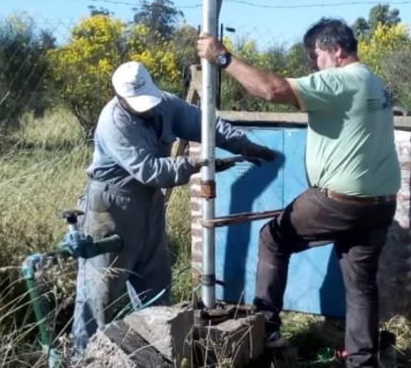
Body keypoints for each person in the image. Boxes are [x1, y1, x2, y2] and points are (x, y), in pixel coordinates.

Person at [197, 18, 400, 368]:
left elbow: (273, 90)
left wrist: (223, 57)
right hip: (380, 204)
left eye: (314, 56)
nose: (313, 65)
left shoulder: (341, 80)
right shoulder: (373, 81)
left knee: (273, 238)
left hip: (340, 201)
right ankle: (363, 362)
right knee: (361, 284)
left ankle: (268, 327)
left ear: (335, 50)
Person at [71, 61, 277, 354]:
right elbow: (150, 169)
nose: (147, 109)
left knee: (155, 285)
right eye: (138, 105)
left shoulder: (165, 104)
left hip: (150, 204)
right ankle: (84, 357)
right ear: (120, 98)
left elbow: (206, 124)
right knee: (100, 293)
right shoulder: (113, 122)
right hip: (111, 207)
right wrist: (197, 163)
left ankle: (156, 353)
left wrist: (242, 144)